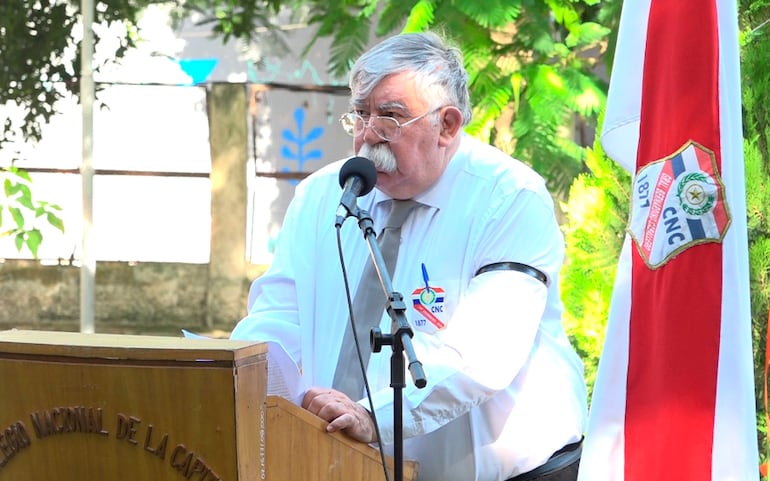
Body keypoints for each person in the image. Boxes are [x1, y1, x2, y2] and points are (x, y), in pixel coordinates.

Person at [230, 31, 587, 481]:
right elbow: (278, 316)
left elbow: (485, 351)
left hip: (513, 474)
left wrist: (373, 416)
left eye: (391, 116)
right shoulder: (323, 196)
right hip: (345, 465)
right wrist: (238, 380)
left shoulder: (509, 197)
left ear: (448, 125)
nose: (368, 134)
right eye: (360, 113)